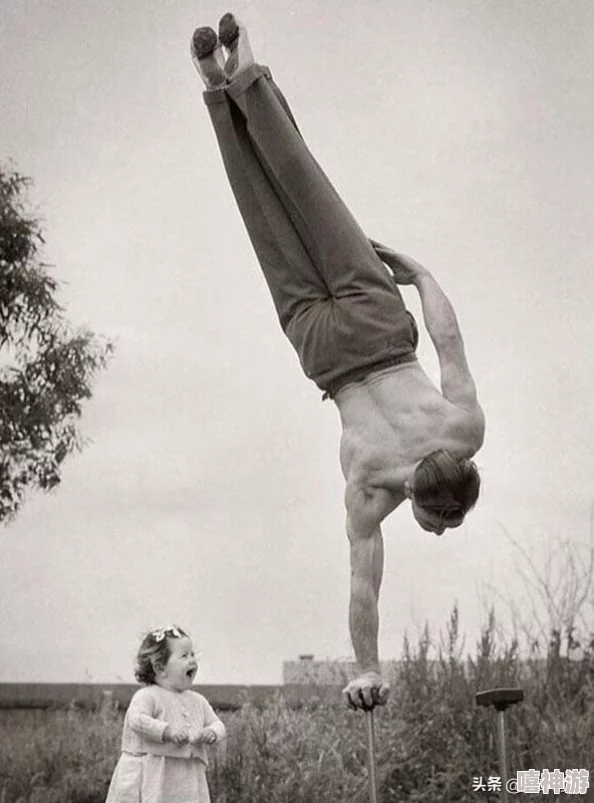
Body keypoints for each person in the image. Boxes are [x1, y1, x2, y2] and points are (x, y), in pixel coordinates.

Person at [190, 14, 485, 711]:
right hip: (325, 350)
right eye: (442, 524)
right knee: (262, 213)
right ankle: (213, 86)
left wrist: (419, 271)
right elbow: (363, 584)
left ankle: (244, 68)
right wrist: (366, 667)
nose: (438, 532)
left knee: (303, 185)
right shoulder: (370, 492)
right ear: (418, 497)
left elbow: (447, 338)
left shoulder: (465, 430)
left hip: (379, 323)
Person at [105, 625, 225, 803]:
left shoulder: (197, 701)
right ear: (160, 668)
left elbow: (217, 723)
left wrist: (213, 732)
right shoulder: (148, 696)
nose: (192, 660)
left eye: (192, 654)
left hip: (186, 777)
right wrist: (167, 732)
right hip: (153, 774)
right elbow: (137, 720)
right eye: (184, 656)